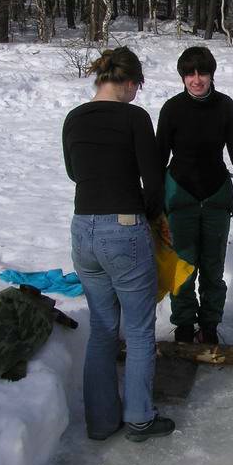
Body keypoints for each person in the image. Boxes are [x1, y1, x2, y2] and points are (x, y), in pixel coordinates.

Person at [62, 47, 174, 443]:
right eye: (136, 87)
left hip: (82, 229)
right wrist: (152, 215)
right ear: (128, 83)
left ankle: (101, 422)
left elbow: (75, 171)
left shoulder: (74, 118)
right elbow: (154, 180)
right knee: (141, 331)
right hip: (123, 228)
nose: (136, 94)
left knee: (104, 329)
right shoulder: (134, 117)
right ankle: (140, 419)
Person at [157, 46, 233, 345]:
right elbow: (159, 157)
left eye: (203, 73)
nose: (197, 79)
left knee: (213, 269)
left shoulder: (225, 106)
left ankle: (210, 325)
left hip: (215, 196)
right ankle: (185, 325)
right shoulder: (172, 108)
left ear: (212, 75)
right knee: (184, 267)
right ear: (183, 77)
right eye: (190, 73)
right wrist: (153, 199)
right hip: (180, 196)